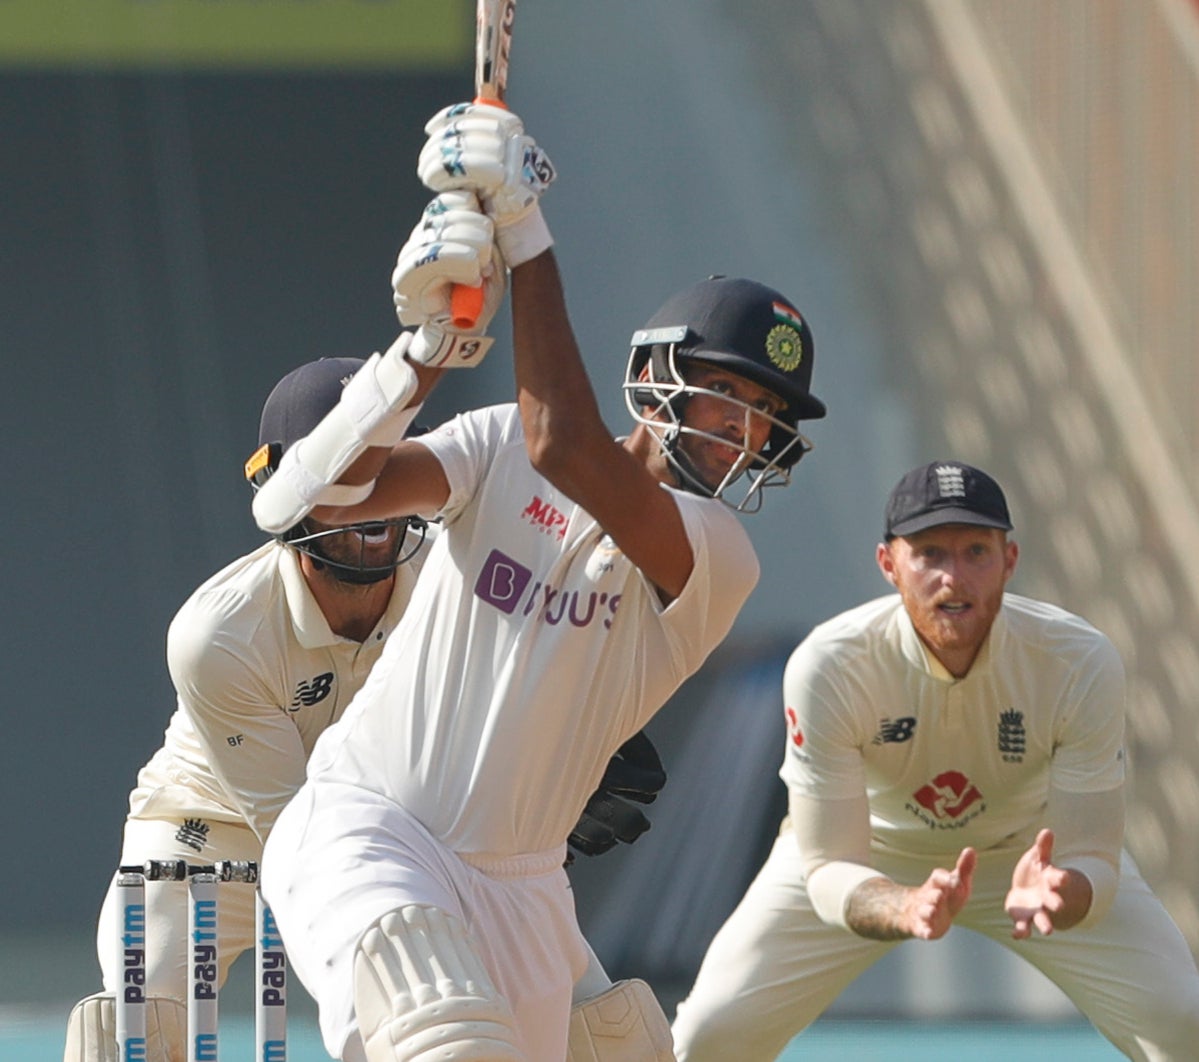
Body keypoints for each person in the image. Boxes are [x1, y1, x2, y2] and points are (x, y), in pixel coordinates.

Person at [253, 99, 827, 1062]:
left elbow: (562, 440)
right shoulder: (492, 449)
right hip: (373, 828)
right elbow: (328, 498)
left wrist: (523, 226)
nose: (743, 429)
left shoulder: (719, 554)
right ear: (656, 373)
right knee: (449, 1045)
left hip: (524, 891)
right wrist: (428, 350)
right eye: (727, 391)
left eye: (764, 416)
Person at [63, 357, 662, 1062]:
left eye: (385, 472)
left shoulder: (456, 573)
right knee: (137, 1022)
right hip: (215, 829)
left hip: (397, 815)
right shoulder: (218, 634)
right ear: (287, 493)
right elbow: (303, 838)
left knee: (604, 1022)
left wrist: (562, 757)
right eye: (343, 475)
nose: (370, 498)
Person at [671, 461, 1199, 1061]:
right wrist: (901, 903)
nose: (954, 577)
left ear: (1010, 561)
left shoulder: (1079, 659)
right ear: (888, 565)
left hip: (1028, 854)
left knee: (1183, 1024)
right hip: (872, 856)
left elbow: (1093, 860)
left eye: (977, 550)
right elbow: (827, 869)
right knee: (711, 1031)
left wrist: (1062, 889)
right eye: (929, 553)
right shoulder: (830, 664)